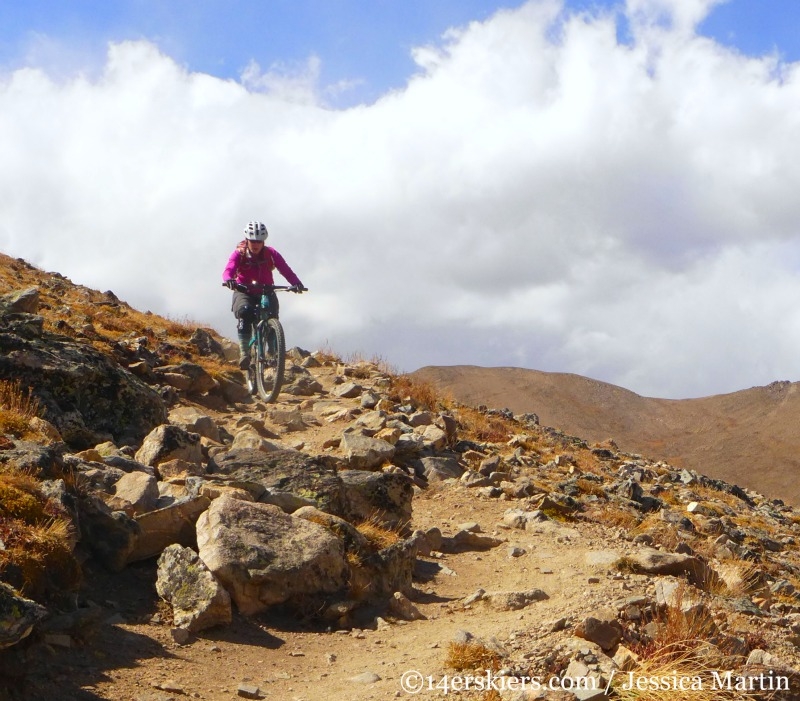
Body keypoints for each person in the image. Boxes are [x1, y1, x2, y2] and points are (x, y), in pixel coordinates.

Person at [222, 221, 305, 369]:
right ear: (247, 239)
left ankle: (272, 353)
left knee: (272, 316)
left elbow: (286, 270)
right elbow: (228, 269)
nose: (256, 244)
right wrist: (229, 280)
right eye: (253, 240)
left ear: (263, 241)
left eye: (259, 241)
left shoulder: (271, 254)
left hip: (266, 291)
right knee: (245, 311)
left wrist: (297, 283)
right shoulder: (239, 254)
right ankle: (244, 353)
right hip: (243, 291)